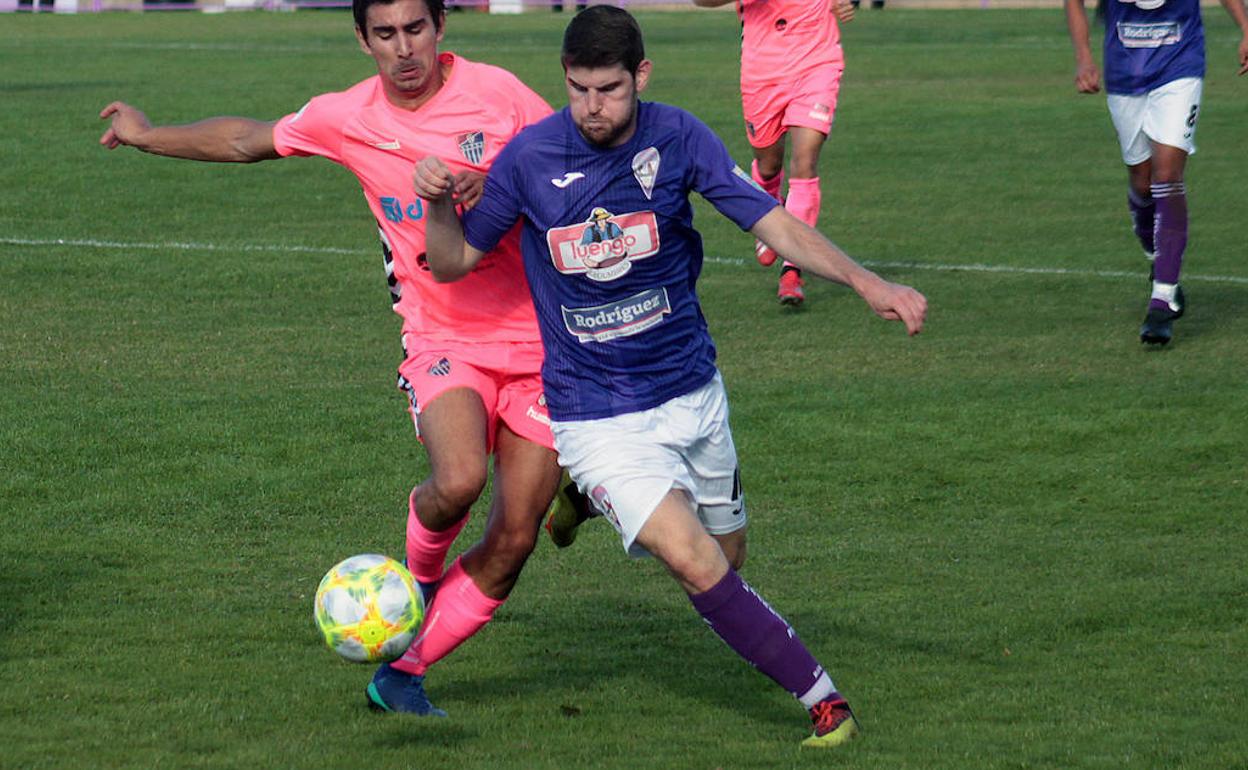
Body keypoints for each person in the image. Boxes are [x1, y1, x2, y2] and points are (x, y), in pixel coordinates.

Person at [413, 5, 926, 747]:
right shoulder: (529, 159)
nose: (593, 107)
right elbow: (455, 261)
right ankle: (824, 701)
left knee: (728, 563)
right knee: (691, 561)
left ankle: (584, 502)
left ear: (641, 76)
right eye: (580, 89)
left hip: (691, 393)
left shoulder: (679, 136)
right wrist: (436, 204)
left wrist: (866, 281)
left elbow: (769, 220)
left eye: (611, 89)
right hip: (594, 413)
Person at [99, 0, 568, 717]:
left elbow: (568, 165)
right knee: (459, 480)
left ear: (441, 28)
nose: (403, 48)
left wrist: (501, 184)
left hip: (539, 339)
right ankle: (414, 585)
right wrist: (144, 134)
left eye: (416, 29)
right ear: (362, 39)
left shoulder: (500, 94)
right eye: (385, 33)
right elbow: (243, 140)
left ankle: (402, 672)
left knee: (513, 537)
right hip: (441, 336)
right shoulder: (348, 116)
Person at [1065, 0, 1248, 345]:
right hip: (1125, 72)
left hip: (1180, 66)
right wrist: (1084, 58)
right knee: (1142, 181)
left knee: (1167, 176)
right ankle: (1158, 257)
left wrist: (1246, 27)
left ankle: (1162, 298)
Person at [692, 0, 856, 307]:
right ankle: (768, 209)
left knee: (805, 162)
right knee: (768, 166)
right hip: (763, 70)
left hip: (817, 61)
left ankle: (792, 269)